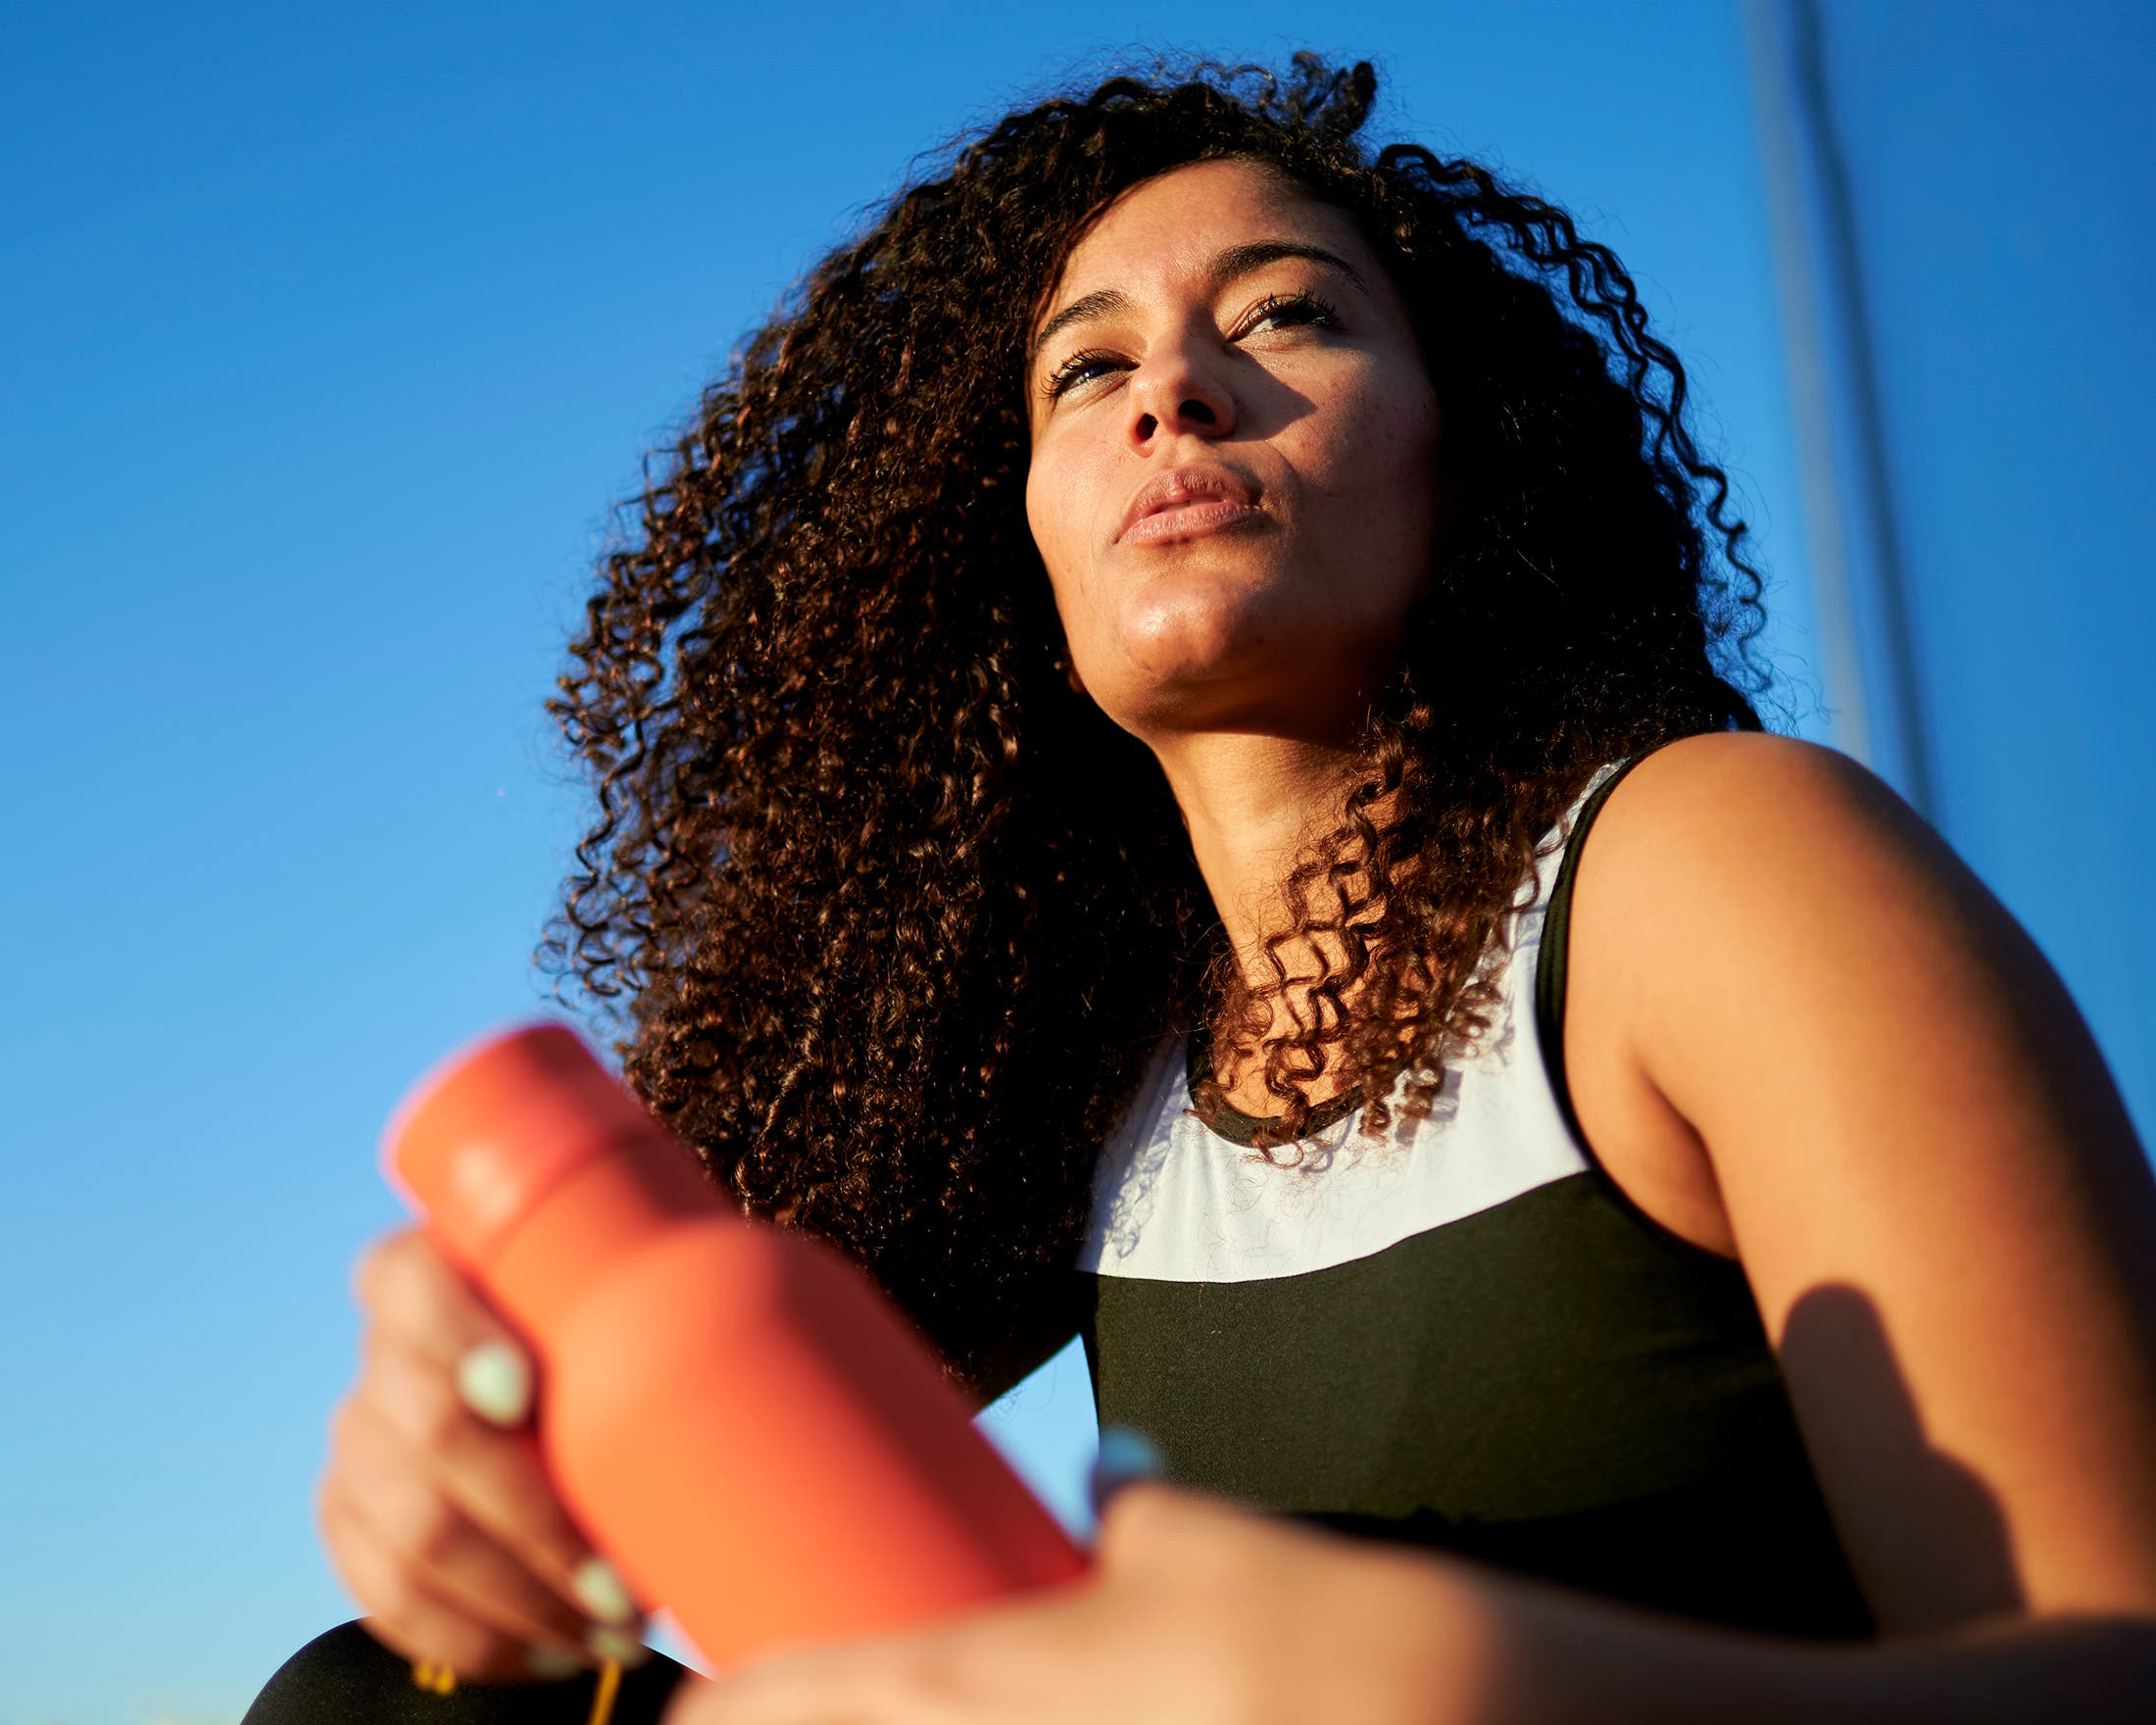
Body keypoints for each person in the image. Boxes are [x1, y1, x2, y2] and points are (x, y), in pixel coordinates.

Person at [246, 54, 2156, 1724]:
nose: (1173, 389)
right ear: (1015, 547)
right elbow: (667, 1416)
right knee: (381, 1704)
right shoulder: (1076, 1071)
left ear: (1462, 454)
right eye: (1086, 368)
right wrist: (474, 1434)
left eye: (1289, 318)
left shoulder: (1706, 863)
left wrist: (1484, 1694)